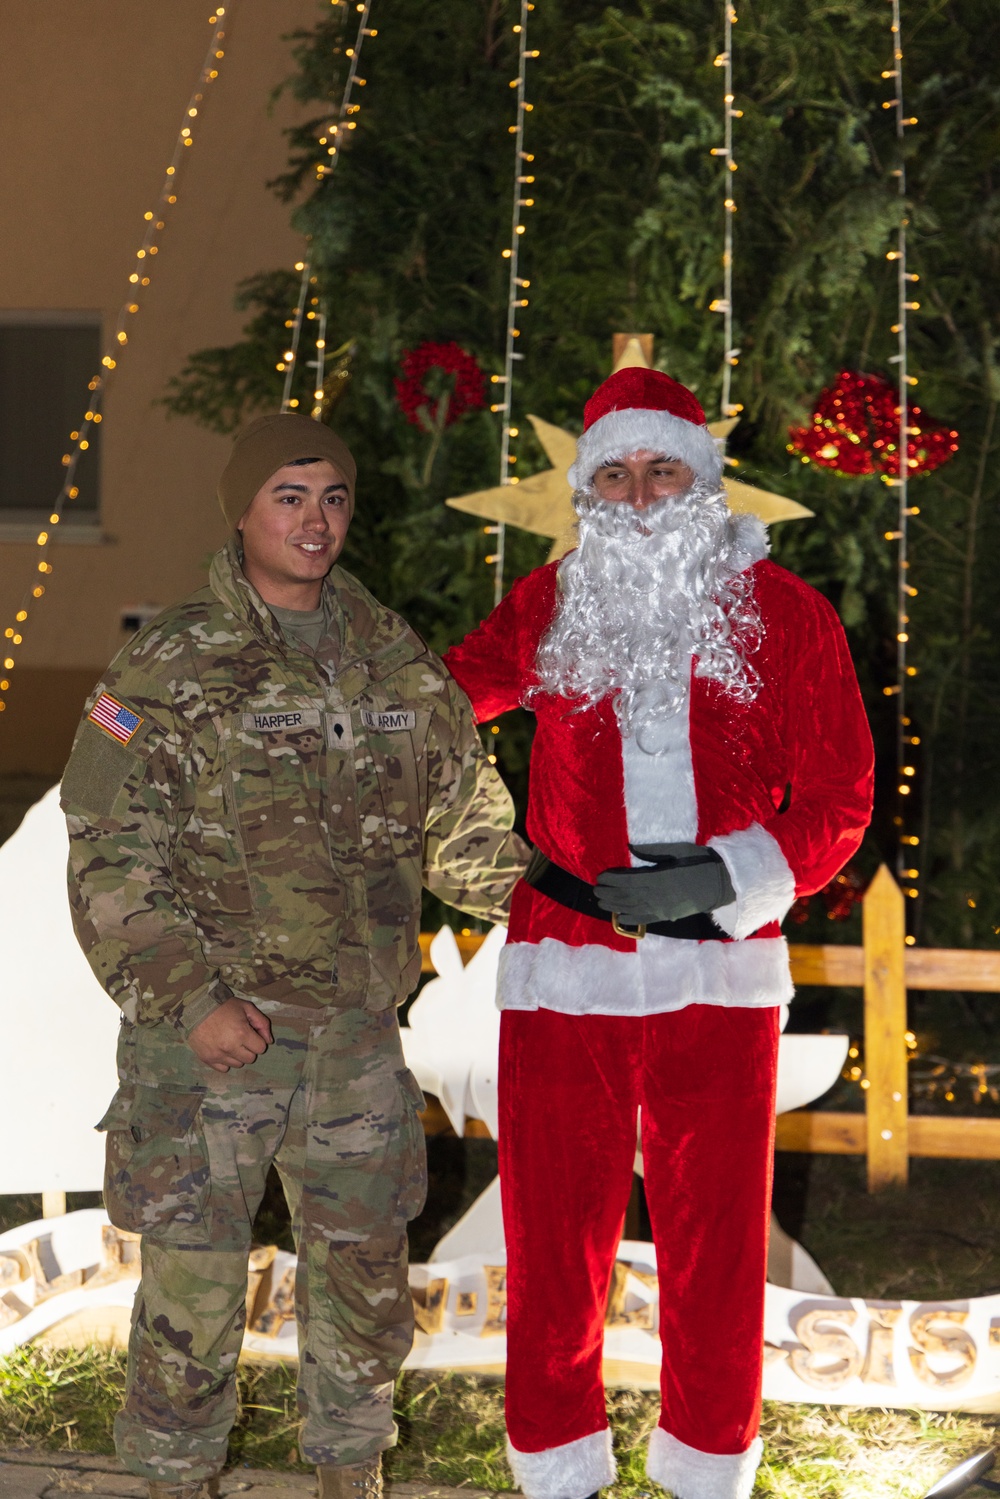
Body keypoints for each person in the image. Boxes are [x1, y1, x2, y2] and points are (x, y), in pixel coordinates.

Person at [62, 413, 527, 1499]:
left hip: (356, 1042)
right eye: (288, 495)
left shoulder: (391, 653)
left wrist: (585, 902)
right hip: (212, 1045)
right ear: (242, 507)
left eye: (332, 499)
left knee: (364, 1275)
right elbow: (109, 853)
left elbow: (461, 824)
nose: (314, 521)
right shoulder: (170, 660)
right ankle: (176, 1478)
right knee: (194, 1286)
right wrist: (190, 1001)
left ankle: (349, 1473)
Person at [443, 367, 874, 1499]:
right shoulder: (548, 604)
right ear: (587, 492)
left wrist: (728, 876)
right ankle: (554, 1466)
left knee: (716, 1246)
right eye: (615, 476)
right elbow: (440, 705)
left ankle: (708, 1467)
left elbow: (838, 795)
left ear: (702, 478)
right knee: (551, 1245)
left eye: (660, 470)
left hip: (717, 973)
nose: (637, 498)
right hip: (563, 972)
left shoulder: (787, 615)